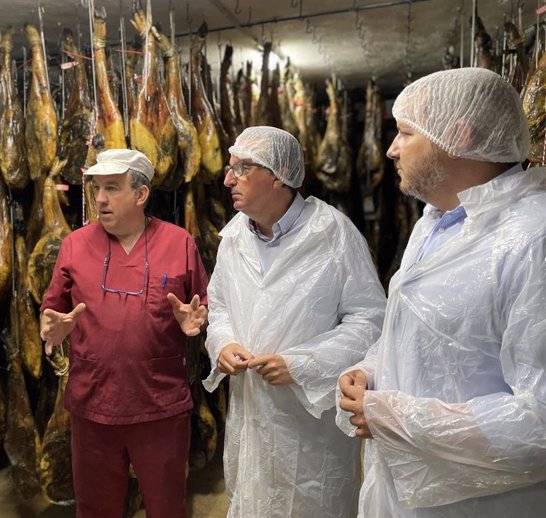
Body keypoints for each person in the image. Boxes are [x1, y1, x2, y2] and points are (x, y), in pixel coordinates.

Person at [337, 68, 546, 518]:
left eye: (405, 132)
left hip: (481, 504)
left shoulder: (534, 238)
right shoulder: (435, 221)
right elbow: (422, 334)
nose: (392, 148)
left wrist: (397, 417)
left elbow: (541, 423)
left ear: (457, 135)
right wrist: (372, 369)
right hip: (401, 485)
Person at [202, 126, 387, 517]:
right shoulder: (233, 237)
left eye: (242, 168)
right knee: (251, 501)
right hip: (250, 413)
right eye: (230, 167)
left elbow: (371, 320)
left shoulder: (334, 233)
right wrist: (223, 344)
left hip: (310, 424)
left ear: (278, 177)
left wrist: (303, 363)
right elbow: (218, 306)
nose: (227, 179)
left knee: (308, 503)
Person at [39, 149, 209, 518]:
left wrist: (195, 322)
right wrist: (52, 327)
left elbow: (203, 305)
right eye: (96, 188)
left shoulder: (179, 243)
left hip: (159, 405)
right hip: (93, 405)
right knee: (96, 508)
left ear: (141, 194)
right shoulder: (74, 245)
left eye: (112, 188)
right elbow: (51, 309)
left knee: (166, 507)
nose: (99, 199)